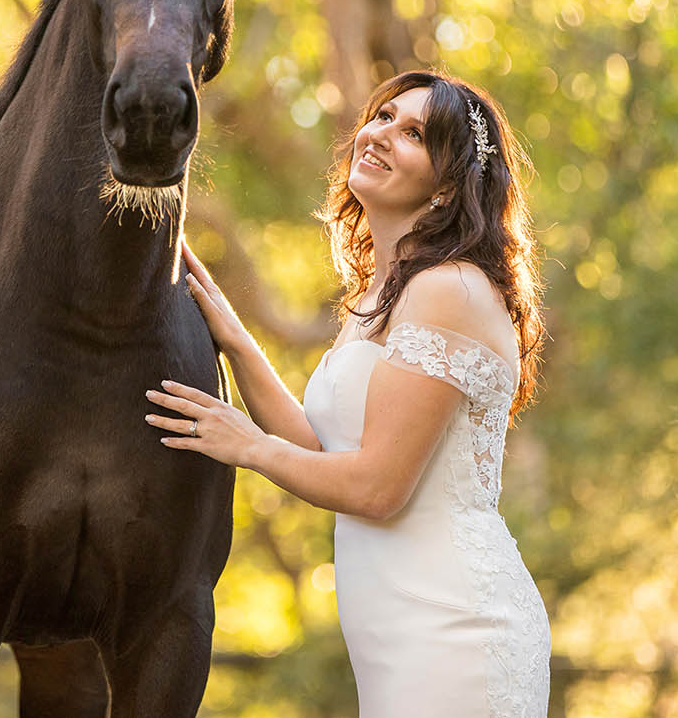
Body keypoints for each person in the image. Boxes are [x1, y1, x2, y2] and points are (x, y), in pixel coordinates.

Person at [143, 69, 551, 717]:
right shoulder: (381, 296)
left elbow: (375, 490)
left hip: (451, 628)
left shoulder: (449, 290)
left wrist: (244, 445)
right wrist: (236, 341)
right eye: (383, 116)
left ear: (450, 181)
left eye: (414, 132)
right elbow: (321, 446)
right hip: (395, 633)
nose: (382, 133)